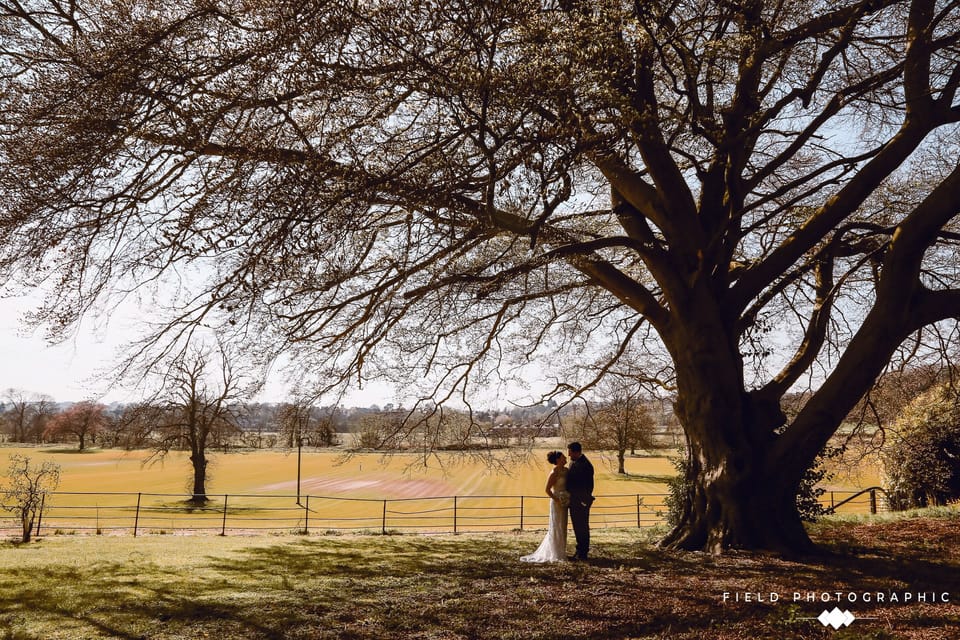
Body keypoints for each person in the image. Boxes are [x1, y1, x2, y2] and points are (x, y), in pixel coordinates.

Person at [520, 450, 569, 563]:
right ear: (557, 460)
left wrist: (566, 498)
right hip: (557, 502)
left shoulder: (566, 471)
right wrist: (557, 500)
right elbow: (547, 490)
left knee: (563, 525)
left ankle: (562, 551)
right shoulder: (554, 473)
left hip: (564, 501)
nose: (565, 458)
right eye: (563, 457)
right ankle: (556, 553)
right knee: (557, 526)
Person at [565, 441, 594, 561]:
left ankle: (583, 553)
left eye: (570, 453)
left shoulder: (586, 465)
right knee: (577, 527)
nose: (569, 455)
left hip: (581, 502)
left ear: (576, 452)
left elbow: (588, 486)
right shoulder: (574, 462)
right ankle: (579, 549)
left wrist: (583, 501)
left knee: (582, 527)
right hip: (574, 501)